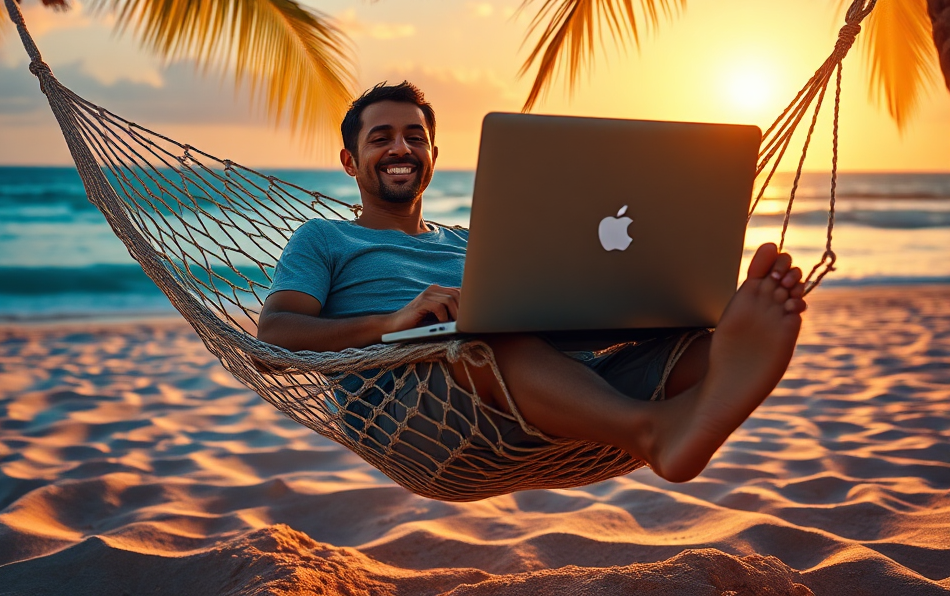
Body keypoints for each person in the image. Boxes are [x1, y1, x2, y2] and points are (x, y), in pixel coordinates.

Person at [258, 82, 807, 484]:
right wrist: (394, 322)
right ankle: (653, 429)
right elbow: (273, 337)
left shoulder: (473, 243)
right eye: (382, 138)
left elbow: (542, 315)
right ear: (350, 162)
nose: (402, 149)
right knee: (487, 337)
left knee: (699, 344)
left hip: (543, 389)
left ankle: (699, 389)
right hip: (411, 412)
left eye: (415, 137)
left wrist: (638, 309)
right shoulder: (325, 239)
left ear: (433, 157)